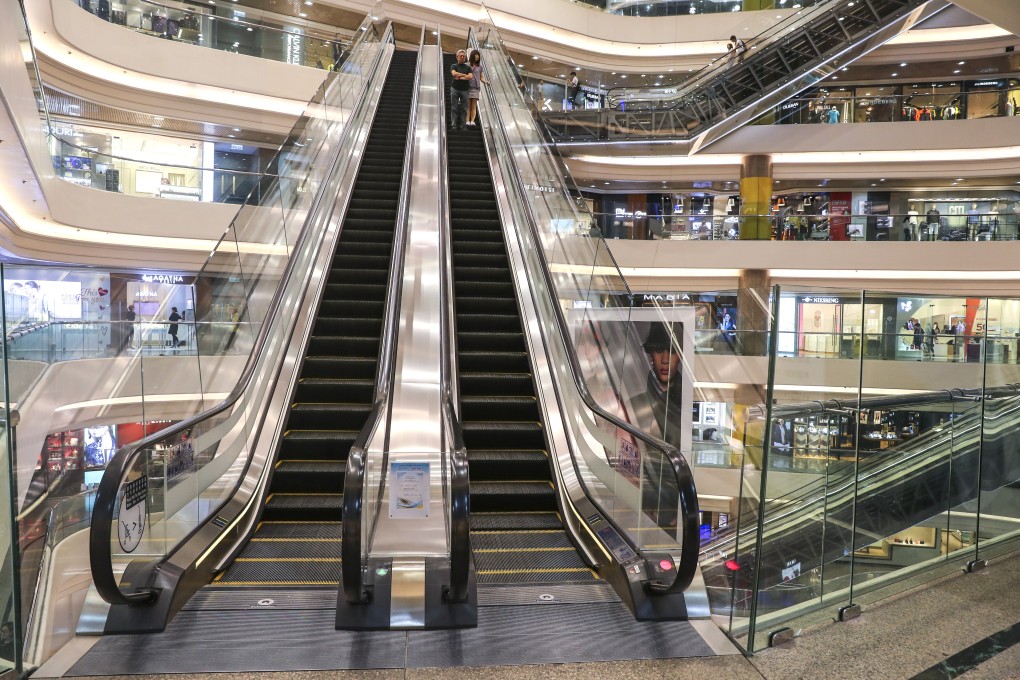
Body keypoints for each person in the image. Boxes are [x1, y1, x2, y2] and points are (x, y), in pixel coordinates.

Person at [449, 49, 472, 131]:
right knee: (454, 107)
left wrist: (459, 77)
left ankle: (463, 126)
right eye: (460, 56)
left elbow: (470, 77)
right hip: (454, 89)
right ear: (457, 57)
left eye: (464, 56)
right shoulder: (454, 66)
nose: (462, 57)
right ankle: (454, 125)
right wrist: (464, 75)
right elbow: (454, 74)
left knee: (464, 108)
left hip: (465, 90)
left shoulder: (468, 67)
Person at [466, 49, 488, 127]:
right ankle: (467, 120)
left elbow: (481, 77)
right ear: (472, 56)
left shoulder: (480, 67)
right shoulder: (467, 65)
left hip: (476, 88)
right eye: (475, 56)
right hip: (467, 87)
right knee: (468, 105)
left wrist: (485, 82)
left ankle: (472, 121)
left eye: (478, 57)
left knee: (474, 105)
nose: (477, 58)